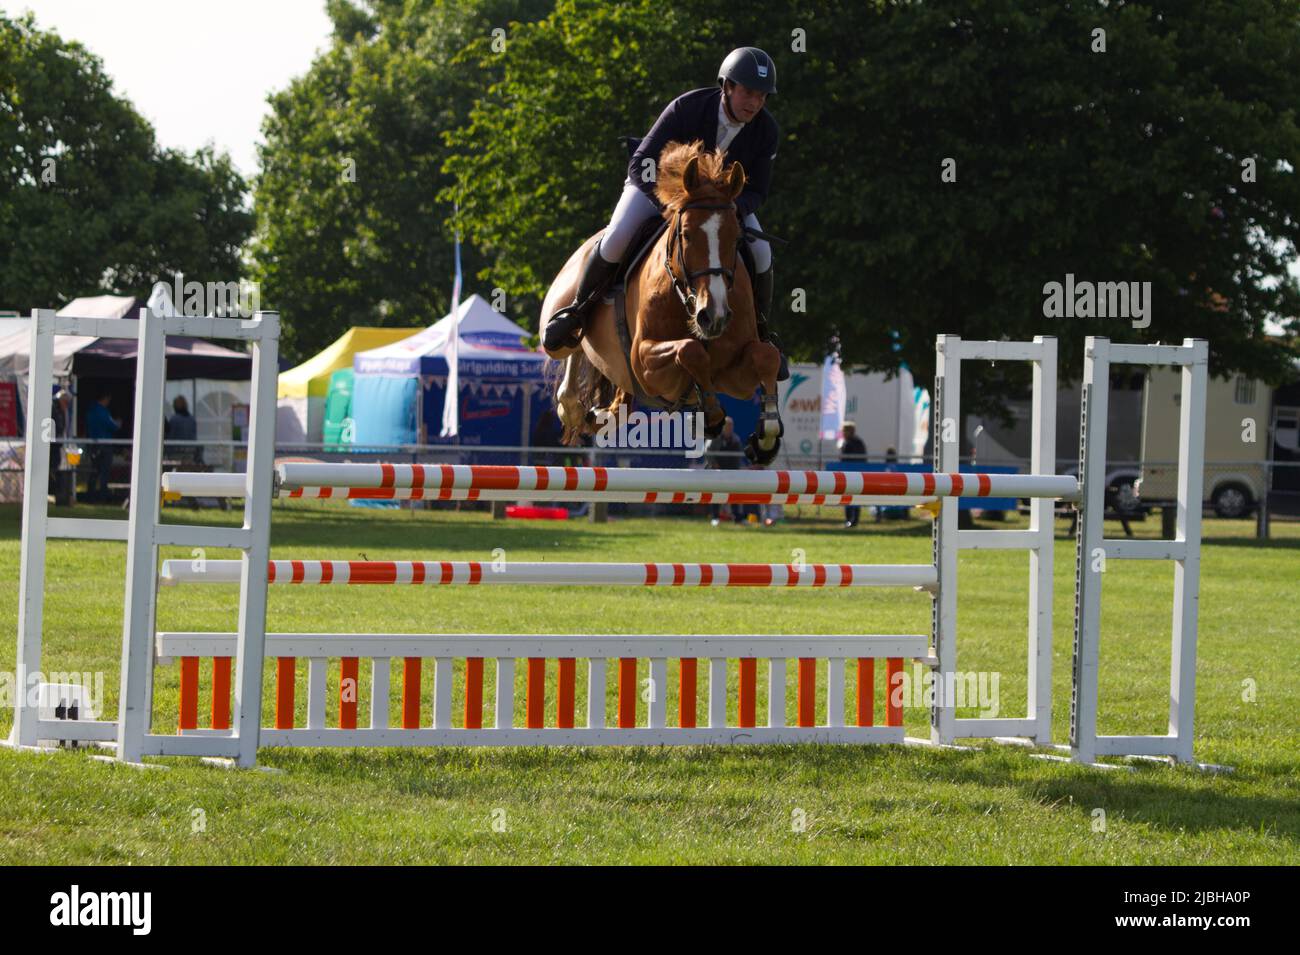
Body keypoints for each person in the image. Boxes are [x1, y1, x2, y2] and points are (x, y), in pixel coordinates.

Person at [544, 47, 786, 379]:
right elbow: (641, 162)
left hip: (718, 208)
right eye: (747, 92)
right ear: (727, 86)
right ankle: (577, 313)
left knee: (761, 251)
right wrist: (670, 208)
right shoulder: (687, 108)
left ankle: (761, 330)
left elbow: (758, 191)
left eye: (761, 96)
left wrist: (732, 208)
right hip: (655, 189)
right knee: (617, 237)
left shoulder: (766, 131)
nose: (755, 102)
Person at [705, 417, 743, 526]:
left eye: (731, 426)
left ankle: (738, 518)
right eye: (727, 426)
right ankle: (715, 517)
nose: (729, 428)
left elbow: (738, 458)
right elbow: (707, 453)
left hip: (731, 472)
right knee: (716, 494)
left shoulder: (736, 440)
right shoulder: (714, 438)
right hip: (716, 472)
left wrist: (735, 472)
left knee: (735, 494)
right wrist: (715, 465)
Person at [85, 392, 120, 503]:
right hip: (105, 446)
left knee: (94, 471)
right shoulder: (103, 412)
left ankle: (90, 495)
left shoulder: (90, 411)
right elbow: (112, 426)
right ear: (105, 399)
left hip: (93, 445)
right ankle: (102, 496)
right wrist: (118, 424)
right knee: (104, 472)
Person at [839, 421, 867, 528]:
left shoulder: (851, 443)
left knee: (852, 498)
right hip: (855, 475)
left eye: (844, 431)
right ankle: (851, 520)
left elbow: (846, 459)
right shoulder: (857, 442)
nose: (843, 433)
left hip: (852, 476)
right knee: (851, 498)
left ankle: (852, 520)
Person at [165, 395, 201, 465]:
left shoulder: (174, 419)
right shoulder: (192, 419)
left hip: (176, 454)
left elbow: (171, 437)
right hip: (191, 453)